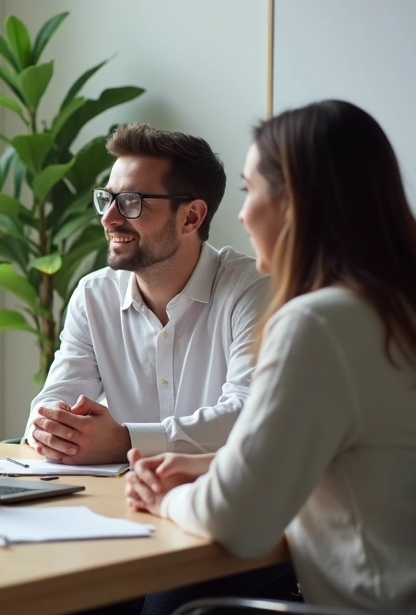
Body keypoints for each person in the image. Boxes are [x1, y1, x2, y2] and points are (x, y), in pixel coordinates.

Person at [125, 100, 416, 612]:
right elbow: (362, 454)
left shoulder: (319, 324)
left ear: (295, 203)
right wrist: (210, 465)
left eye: (249, 190)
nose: (240, 214)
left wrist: (164, 499)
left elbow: (237, 522)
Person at [24, 124, 269, 465]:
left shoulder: (253, 291)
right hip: (123, 499)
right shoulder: (94, 296)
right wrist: (50, 427)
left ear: (191, 217)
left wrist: (126, 441)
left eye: (130, 202)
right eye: (107, 199)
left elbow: (250, 413)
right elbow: (54, 398)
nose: (109, 218)